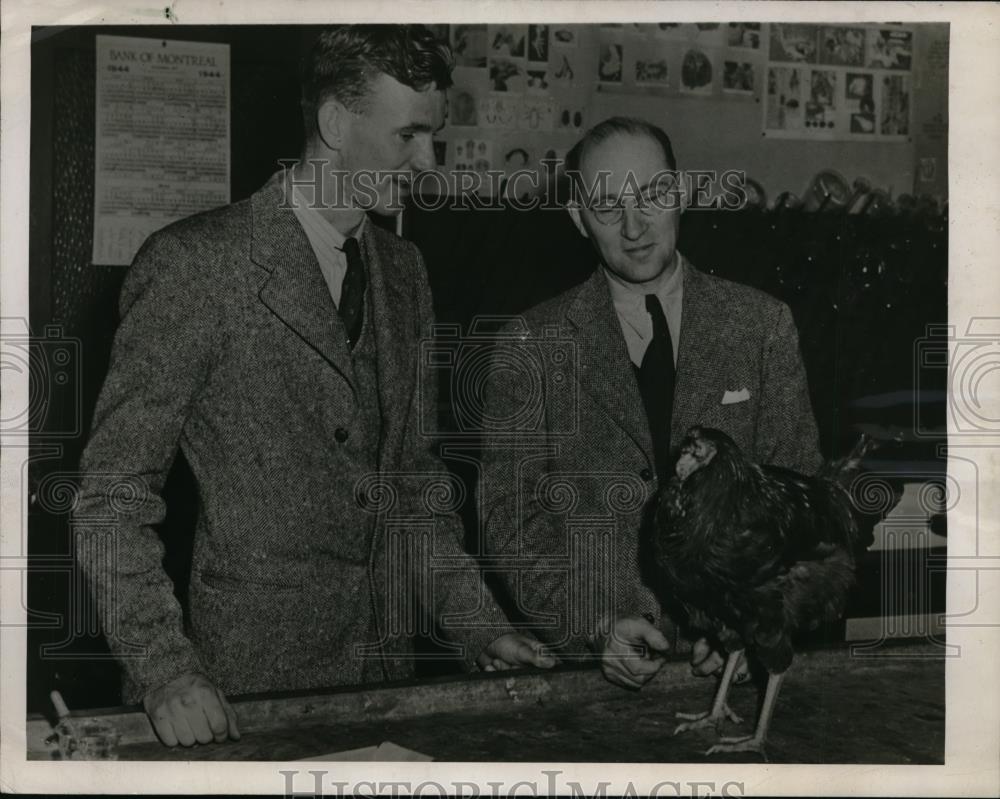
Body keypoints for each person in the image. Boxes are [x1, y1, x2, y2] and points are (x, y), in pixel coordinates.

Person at [72, 25, 553, 749]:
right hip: (239, 695)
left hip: (386, 680)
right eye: (409, 135)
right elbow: (110, 497)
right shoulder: (195, 265)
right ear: (334, 123)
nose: (427, 161)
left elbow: (413, 486)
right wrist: (165, 669)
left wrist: (480, 625)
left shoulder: (403, 272)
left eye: (432, 135)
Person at [479, 116, 822, 691]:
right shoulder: (528, 345)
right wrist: (594, 625)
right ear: (578, 219)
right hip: (593, 674)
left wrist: (749, 629)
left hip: (735, 671)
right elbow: (512, 521)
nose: (634, 226)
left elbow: (800, 501)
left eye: (654, 196)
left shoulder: (761, 326)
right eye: (607, 206)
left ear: (681, 193)